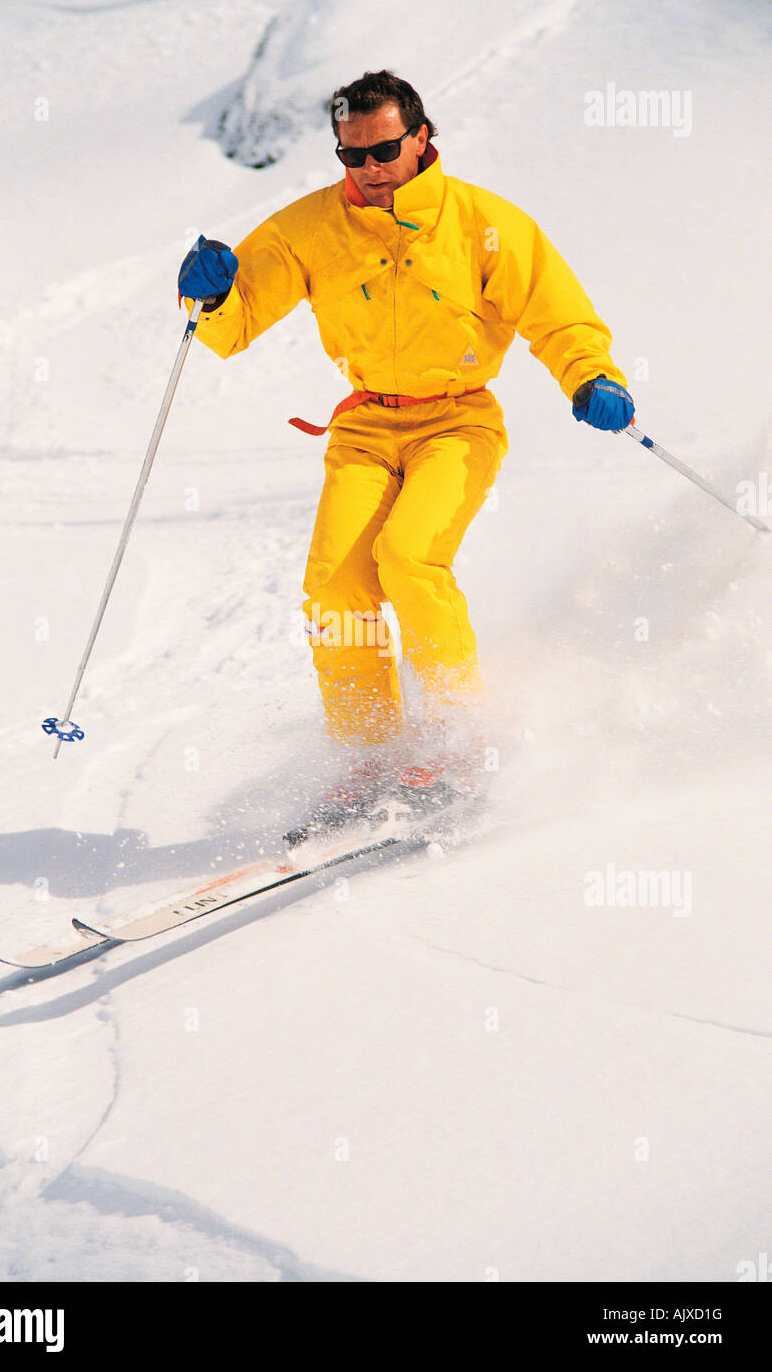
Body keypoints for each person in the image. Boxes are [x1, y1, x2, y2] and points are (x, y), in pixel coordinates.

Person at [178, 69, 633, 822]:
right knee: (334, 586)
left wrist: (591, 377)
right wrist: (211, 294)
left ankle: (458, 738)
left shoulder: (484, 223)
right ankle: (367, 758)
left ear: (421, 137)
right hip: (364, 426)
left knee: (409, 558)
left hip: (456, 421)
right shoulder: (307, 228)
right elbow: (231, 326)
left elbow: (557, 315)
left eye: (383, 149)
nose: (368, 169)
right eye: (350, 155)